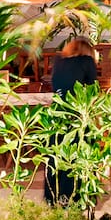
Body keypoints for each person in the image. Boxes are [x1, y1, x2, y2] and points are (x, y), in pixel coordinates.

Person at [43, 38, 99, 205]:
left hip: (57, 112)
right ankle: (76, 196)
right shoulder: (87, 61)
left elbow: (56, 86)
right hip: (77, 113)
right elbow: (92, 88)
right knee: (78, 153)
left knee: (55, 155)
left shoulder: (59, 61)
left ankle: (53, 197)